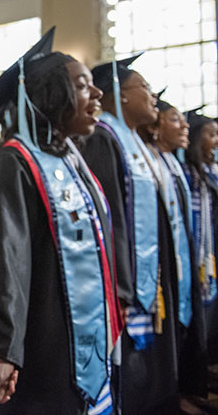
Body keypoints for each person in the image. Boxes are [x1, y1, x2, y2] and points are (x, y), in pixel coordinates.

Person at [0, 47, 121, 414]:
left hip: (83, 332)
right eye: (82, 86)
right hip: (43, 340)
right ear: (51, 97)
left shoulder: (70, 156)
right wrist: (0, 346)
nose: (97, 93)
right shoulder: (13, 162)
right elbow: (2, 261)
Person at [82, 56, 181, 414]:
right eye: (145, 88)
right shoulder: (104, 138)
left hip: (151, 275)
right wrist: (123, 285)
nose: (153, 96)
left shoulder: (136, 143)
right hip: (127, 283)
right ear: (120, 95)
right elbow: (111, 221)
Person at [142, 99, 209, 413]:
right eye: (174, 119)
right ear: (156, 126)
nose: (183, 126)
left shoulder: (171, 164)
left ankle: (183, 389)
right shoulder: (149, 162)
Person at [183, 110, 218, 364]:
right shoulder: (187, 173)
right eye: (211, 134)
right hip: (196, 254)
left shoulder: (210, 172)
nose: (216, 141)